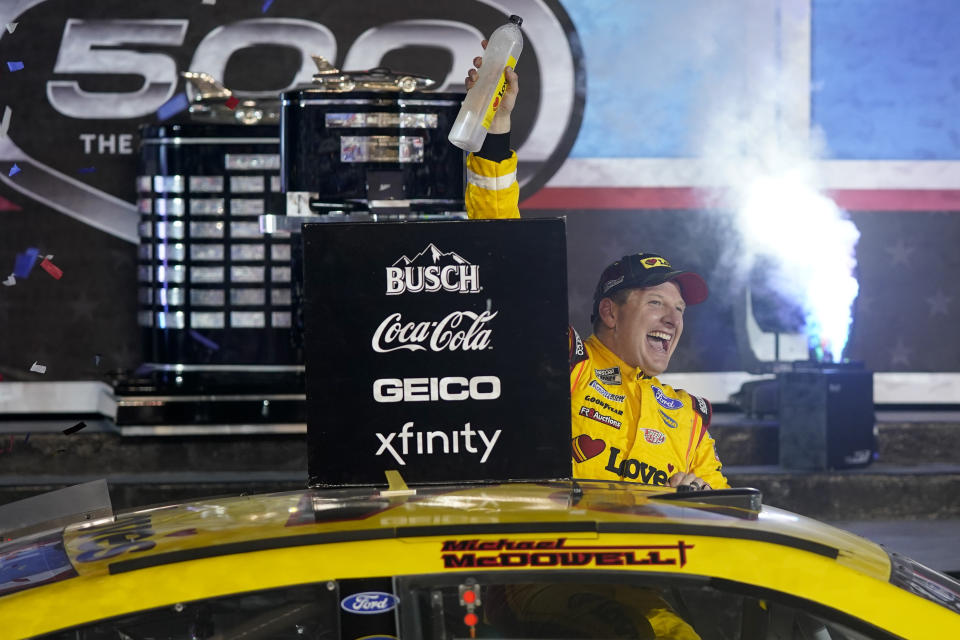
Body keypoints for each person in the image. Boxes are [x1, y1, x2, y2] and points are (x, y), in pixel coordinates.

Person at [464, 49, 727, 491]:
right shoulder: (563, 364)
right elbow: (502, 256)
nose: (673, 319)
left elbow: (732, 513)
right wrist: (496, 129)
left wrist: (700, 498)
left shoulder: (688, 415)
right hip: (554, 553)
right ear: (610, 312)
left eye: (680, 309)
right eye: (657, 303)